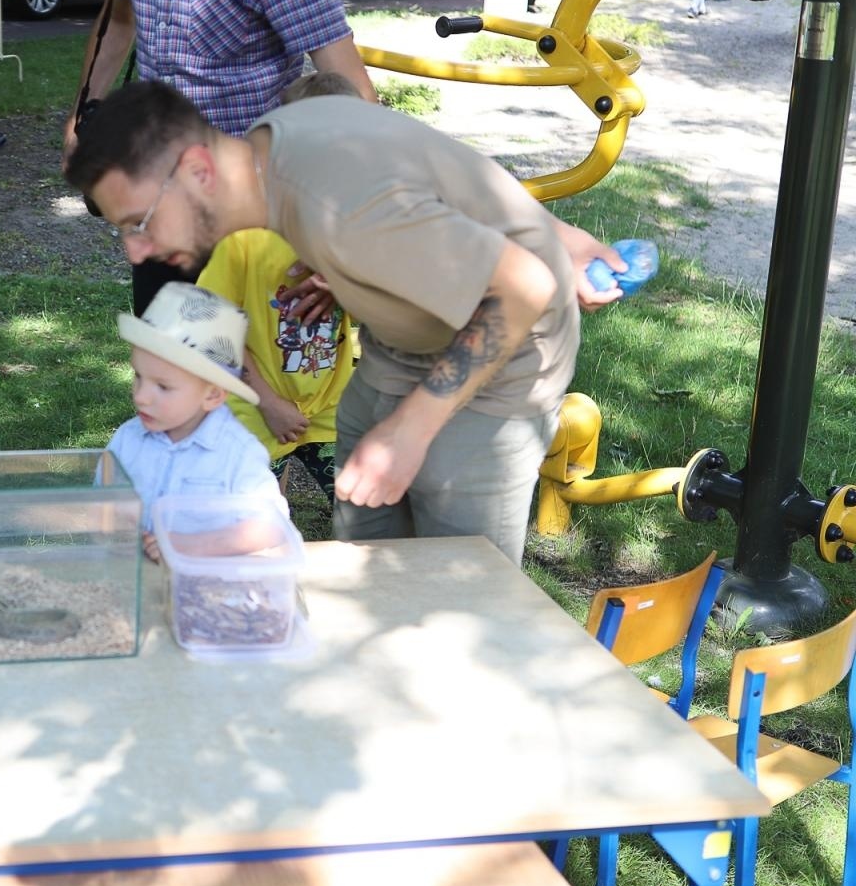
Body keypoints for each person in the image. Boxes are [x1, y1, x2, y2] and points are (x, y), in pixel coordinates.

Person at [66, 80, 628, 565]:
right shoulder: (271, 147)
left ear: (197, 170)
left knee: (463, 579)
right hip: (401, 347)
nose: (135, 252)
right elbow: (435, 167)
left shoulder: (340, 210)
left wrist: (410, 431)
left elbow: (525, 287)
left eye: (139, 223)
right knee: (366, 548)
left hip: (506, 357)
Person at [63, 0, 375, 318]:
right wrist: (80, 116)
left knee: (252, 384)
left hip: (255, 222)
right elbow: (118, 19)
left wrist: (343, 246)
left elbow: (356, 97)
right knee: (170, 372)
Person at [197, 70, 359, 505]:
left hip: (329, 411)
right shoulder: (244, 235)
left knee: (364, 515)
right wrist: (266, 401)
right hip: (252, 411)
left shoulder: (356, 231)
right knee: (255, 521)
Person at [105, 282, 287, 562]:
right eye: (138, 376)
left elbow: (270, 527)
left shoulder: (238, 454)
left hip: (206, 590)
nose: (141, 397)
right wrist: (115, 522)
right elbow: (101, 504)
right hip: (134, 582)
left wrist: (190, 545)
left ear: (213, 394)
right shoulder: (127, 440)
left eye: (163, 387)